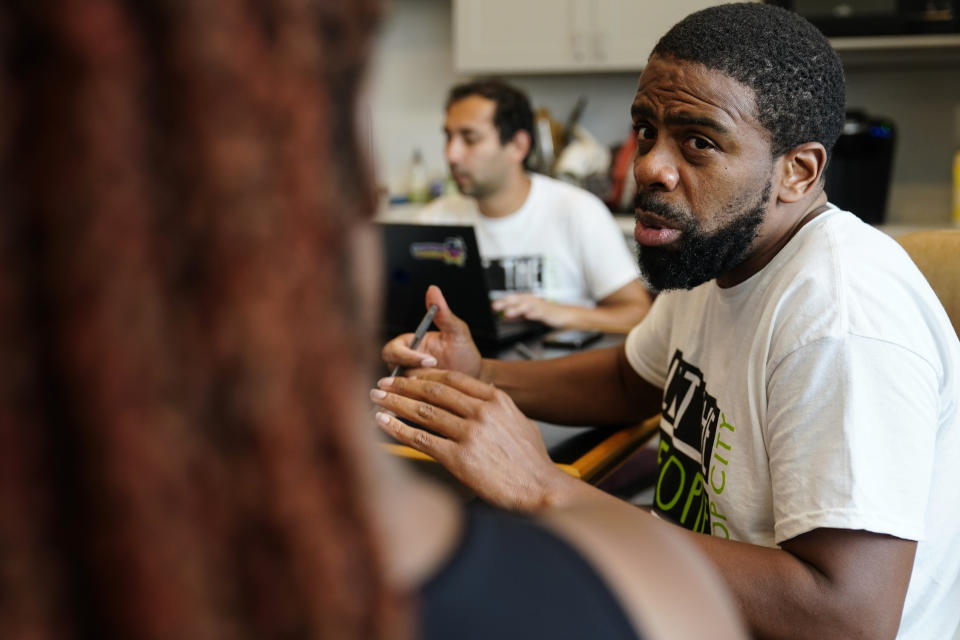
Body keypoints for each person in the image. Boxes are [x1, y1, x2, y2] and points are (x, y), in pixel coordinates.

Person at [0, 2, 747, 639]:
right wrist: (497, 402)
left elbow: (629, 348)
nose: (654, 166)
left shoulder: (583, 216)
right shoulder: (647, 594)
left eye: (470, 137)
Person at [377, 4, 960, 639]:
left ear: (798, 172)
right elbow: (633, 380)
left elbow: (846, 615)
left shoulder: (841, 316)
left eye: (698, 141)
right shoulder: (714, 253)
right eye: (646, 130)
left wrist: (546, 488)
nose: (649, 166)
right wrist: (482, 372)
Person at [415, 78, 652, 332]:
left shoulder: (577, 211)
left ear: (518, 146)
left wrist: (557, 313)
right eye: (449, 137)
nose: (451, 154)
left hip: (558, 367)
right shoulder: (433, 220)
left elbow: (638, 314)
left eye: (469, 139)